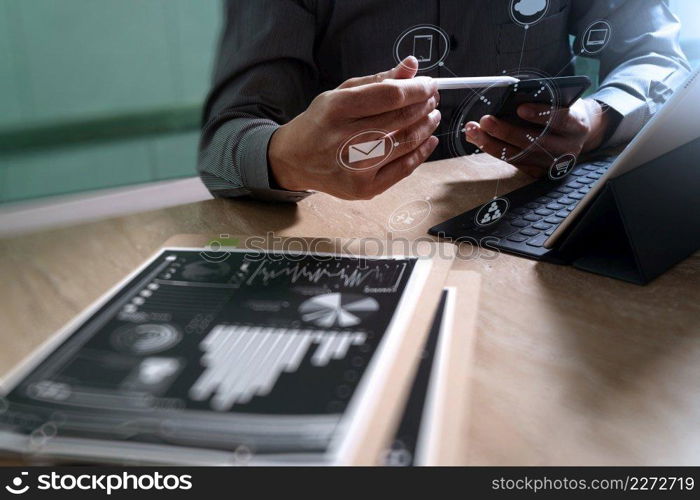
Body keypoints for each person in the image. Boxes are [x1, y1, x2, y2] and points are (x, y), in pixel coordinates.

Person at [198, 0, 689, 202]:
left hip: (537, 218)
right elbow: (222, 142)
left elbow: (659, 56)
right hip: (359, 251)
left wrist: (597, 119)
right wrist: (286, 157)